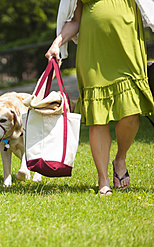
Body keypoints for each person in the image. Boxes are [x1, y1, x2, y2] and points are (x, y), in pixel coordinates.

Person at [45, 0, 154, 195]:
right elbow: (75, 20)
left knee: (131, 115)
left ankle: (120, 158)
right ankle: (103, 179)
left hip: (127, 51)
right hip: (93, 55)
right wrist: (57, 43)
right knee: (98, 118)